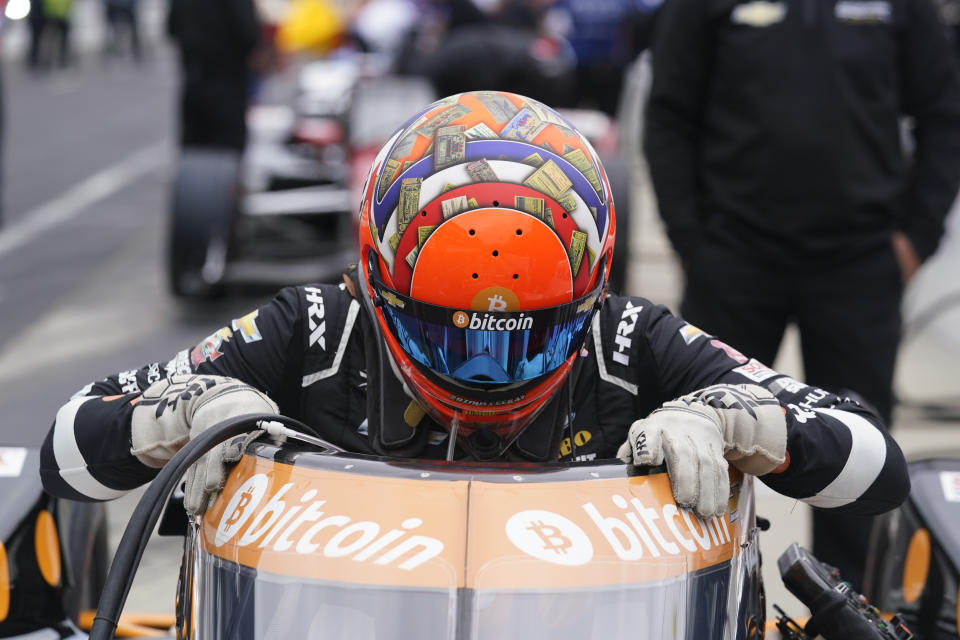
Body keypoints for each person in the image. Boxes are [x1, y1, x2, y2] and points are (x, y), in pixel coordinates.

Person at [41, 93, 908, 547]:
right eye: (450, 334)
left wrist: (744, 422)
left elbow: (876, 464)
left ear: (589, 292)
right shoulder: (312, 326)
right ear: (378, 285)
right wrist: (181, 414)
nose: (487, 373)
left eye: (528, 336)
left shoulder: (627, 339)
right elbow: (67, 448)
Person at [644, 0, 960, 588]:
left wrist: (916, 238)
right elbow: (668, 114)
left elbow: (944, 112)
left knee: (856, 467)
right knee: (703, 449)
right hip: (735, 259)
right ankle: (706, 603)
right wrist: (692, 238)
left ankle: (849, 614)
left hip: (859, 266)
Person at [167, 0, 261, 151]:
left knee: (196, 145)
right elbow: (248, 32)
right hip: (229, 82)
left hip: (195, 78)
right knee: (226, 148)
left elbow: (172, 27)